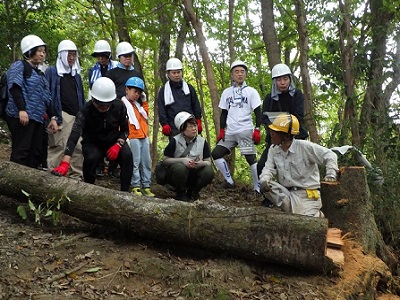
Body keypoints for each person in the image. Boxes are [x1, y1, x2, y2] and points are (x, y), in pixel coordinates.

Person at [51, 77, 133, 192]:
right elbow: (74, 136)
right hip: (93, 143)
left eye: (106, 105)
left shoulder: (119, 107)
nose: (103, 108)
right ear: (93, 99)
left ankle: (125, 192)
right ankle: (89, 189)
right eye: (100, 105)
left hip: (113, 141)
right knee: (91, 157)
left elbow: (125, 130)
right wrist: (65, 162)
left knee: (127, 155)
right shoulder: (85, 111)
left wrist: (118, 144)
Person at [259, 113, 338, 217]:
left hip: (308, 196)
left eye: (275, 132)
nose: (271, 134)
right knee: (269, 186)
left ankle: (317, 216)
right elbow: (268, 169)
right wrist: (264, 180)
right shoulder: (273, 150)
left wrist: (331, 174)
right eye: (271, 131)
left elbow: (330, 155)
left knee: (306, 222)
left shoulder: (304, 147)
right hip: (287, 195)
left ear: (286, 135)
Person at [5, 34, 58, 169]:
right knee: (21, 150)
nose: (42, 54)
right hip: (22, 116)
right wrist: (22, 109)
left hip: (37, 119)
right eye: (39, 51)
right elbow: (15, 87)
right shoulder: (19, 66)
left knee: (35, 153)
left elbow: (47, 97)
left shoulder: (40, 74)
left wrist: (52, 118)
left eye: (43, 51)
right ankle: (15, 183)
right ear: (29, 52)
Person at [211, 60, 262, 193]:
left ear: (245, 74)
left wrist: (257, 129)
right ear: (232, 75)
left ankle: (257, 188)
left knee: (250, 158)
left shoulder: (251, 91)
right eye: (236, 72)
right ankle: (229, 181)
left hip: (245, 129)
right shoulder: (227, 92)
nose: (239, 74)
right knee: (216, 153)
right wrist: (222, 130)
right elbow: (224, 113)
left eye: (242, 72)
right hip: (230, 130)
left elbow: (258, 111)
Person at [257, 63, 308, 176]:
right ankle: (266, 191)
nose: (282, 82)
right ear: (274, 81)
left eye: (285, 79)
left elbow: (298, 116)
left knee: (298, 168)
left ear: (290, 79)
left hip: (296, 138)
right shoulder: (269, 99)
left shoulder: (297, 95)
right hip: (275, 140)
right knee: (261, 166)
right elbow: (264, 117)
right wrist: (273, 129)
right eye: (279, 80)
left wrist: (283, 126)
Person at [45, 40, 86, 178]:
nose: (72, 58)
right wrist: (52, 117)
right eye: (69, 55)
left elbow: (81, 97)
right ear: (62, 55)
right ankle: (54, 177)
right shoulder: (52, 72)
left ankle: (76, 177)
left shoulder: (76, 75)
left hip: (77, 116)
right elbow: (47, 95)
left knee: (78, 147)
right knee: (59, 146)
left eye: (74, 55)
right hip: (60, 114)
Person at [162, 111, 214, 201]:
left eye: (195, 126)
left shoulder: (202, 142)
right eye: (190, 126)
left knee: (209, 171)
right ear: (182, 128)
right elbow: (165, 160)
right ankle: (180, 192)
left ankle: (193, 192)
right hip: (177, 174)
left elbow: (208, 162)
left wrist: (200, 163)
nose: (194, 129)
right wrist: (182, 161)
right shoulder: (175, 141)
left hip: (194, 173)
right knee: (179, 168)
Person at [122, 77, 155, 197]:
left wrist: (144, 102)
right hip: (133, 136)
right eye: (134, 91)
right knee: (135, 161)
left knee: (146, 161)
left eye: (139, 92)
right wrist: (125, 137)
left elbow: (145, 115)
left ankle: (146, 185)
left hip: (143, 134)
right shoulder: (122, 103)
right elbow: (120, 121)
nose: (137, 94)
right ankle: (135, 185)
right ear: (127, 89)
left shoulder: (137, 105)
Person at [157, 58, 202, 139]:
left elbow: (195, 105)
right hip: (173, 127)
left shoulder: (189, 88)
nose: (177, 75)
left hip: (190, 125)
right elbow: (161, 109)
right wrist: (164, 124)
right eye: (174, 73)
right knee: (177, 150)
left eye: (178, 72)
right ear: (168, 74)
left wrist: (198, 120)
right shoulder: (164, 91)